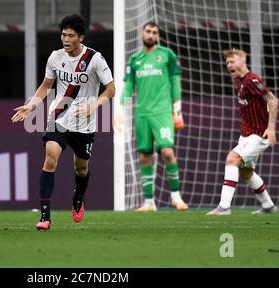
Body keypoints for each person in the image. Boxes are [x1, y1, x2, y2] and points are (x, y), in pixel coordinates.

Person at [12, 14, 115, 231]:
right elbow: (46, 86)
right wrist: (31, 106)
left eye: (70, 36)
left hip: (85, 124)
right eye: (63, 35)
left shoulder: (95, 59)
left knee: (81, 169)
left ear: (81, 37)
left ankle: (78, 198)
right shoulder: (55, 57)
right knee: (50, 158)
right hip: (58, 118)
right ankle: (45, 216)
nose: (65, 39)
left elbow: (111, 89)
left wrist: (92, 106)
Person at [119, 21, 188, 212]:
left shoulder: (167, 55)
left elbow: (175, 82)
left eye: (154, 32)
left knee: (167, 152)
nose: (150, 35)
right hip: (142, 113)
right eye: (148, 31)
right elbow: (127, 86)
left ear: (157, 36)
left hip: (163, 112)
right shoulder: (134, 59)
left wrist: (177, 109)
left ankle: (176, 197)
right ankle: (149, 202)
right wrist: (120, 108)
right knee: (145, 157)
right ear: (142, 33)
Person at [207, 48, 278, 215]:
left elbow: (273, 100)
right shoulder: (238, 80)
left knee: (232, 160)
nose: (228, 65)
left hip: (259, 134)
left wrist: (271, 127)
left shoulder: (252, 80)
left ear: (242, 62)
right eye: (227, 63)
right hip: (246, 133)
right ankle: (268, 206)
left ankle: (224, 207)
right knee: (246, 172)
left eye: (232, 61)